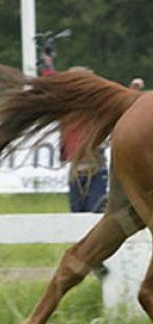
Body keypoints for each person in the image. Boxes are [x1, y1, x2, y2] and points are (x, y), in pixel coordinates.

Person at [60, 68, 108, 214]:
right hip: (77, 168)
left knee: (93, 211)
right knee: (78, 212)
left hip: (95, 168)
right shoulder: (66, 107)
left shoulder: (97, 106)